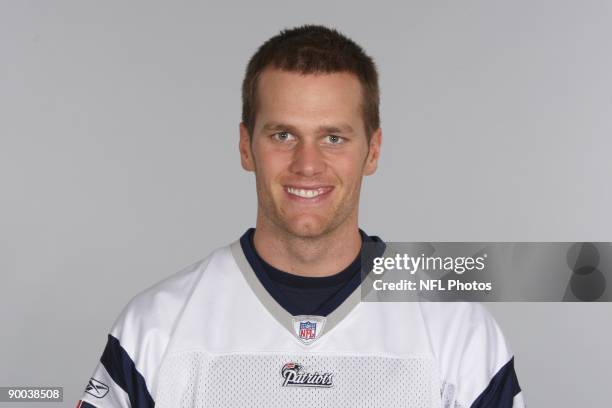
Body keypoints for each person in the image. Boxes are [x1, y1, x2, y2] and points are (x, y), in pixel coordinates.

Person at [77, 24, 524, 408]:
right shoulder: (153, 329)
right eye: (283, 134)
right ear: (245, 146)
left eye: (333, 137)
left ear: (373, 151)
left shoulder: (457, 331)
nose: (307, 164)